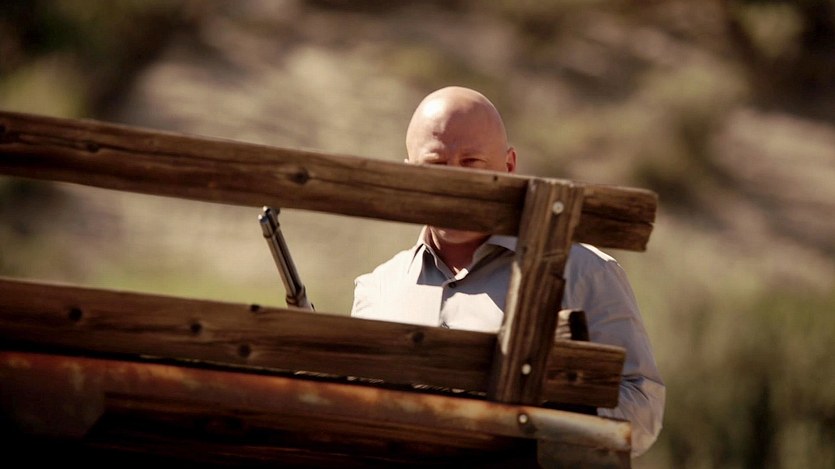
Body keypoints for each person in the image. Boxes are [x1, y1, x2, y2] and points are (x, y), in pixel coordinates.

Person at [350, 86, 665, 457]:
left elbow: (643, 409)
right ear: (408, 175)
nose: (455, 184)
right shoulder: (377, 289)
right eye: (435, 165)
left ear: (509, 166)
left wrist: (537, 425)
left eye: (471, 163)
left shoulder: (584, 272)